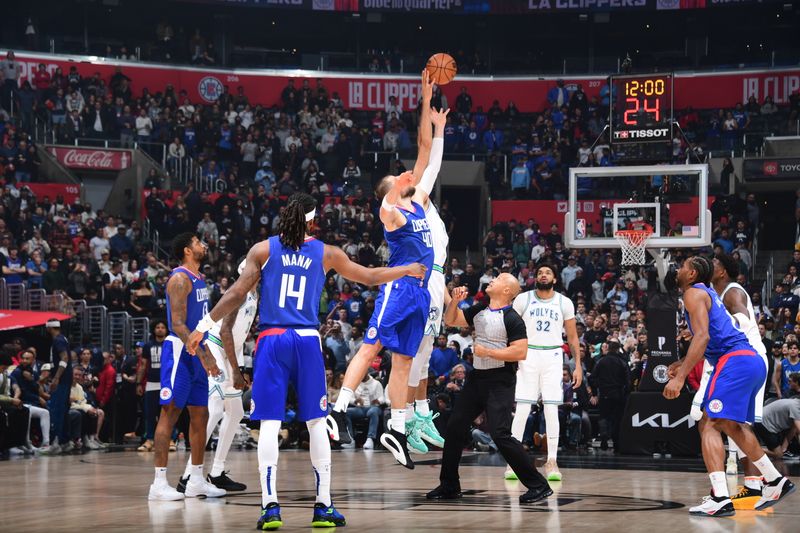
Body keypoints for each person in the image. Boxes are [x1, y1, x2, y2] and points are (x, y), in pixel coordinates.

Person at [185, 193, 425, 530]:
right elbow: (370, 277)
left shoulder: (263, 250)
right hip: (307, 340)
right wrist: (408, 269)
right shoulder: (327, 252)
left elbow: (236, 293)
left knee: (269, 423)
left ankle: (270, 507)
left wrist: (203, 325)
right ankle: (323, 505)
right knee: (315, 422)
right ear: (313, 221)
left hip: (271, 340)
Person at [327, 75, 440, 471]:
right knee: (371, 346)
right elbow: (388, 201)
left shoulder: (419, 203)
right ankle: (338, 409)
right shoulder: (390, 213)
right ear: (390, 189)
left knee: (404, 362)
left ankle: (395, 426)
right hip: (398, 286)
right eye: (399, 179)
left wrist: (427, 102)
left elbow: (425, 149)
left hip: (421, 292)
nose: (408, 176)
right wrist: (395, 188)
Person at [664, 255, 794, 517]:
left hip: (734, 361)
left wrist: (680, 378)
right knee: (731, 425)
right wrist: (682, 362)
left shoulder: (693, 293)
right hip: (750, 361)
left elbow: (703, 336)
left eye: (684, 266)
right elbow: (711, 338)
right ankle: (775, 480)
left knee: (710, 422)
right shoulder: (707, 293)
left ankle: (720, 498)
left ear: (692, 275)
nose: (678, 269)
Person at [426, 276, 552, 504]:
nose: (492, 279)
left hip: (500, 380)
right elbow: (452, 320)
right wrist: (454, 301)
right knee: (454, 428)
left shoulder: (512, 318)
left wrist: (489, 353)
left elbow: (520, 352)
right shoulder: (480, 309)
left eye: (498, 279)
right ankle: (449, 485)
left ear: (506, 290)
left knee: (500, 434)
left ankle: (539, 485)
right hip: (477, 378)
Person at [690, 254, 770, 510]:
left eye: (714, 264)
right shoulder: (715, 294)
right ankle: (754, 483)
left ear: (723, 271)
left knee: (719, 421)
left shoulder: (732, 292)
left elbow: (746, 319)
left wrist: (723, 326)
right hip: (732, 358)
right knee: (719, 420)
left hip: (742, 356)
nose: (709, 266)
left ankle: (742, 487)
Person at [148, 232, 224, 501]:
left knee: (200, 415)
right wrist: (205, 355)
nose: (202, 244)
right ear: (186, 250)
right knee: (169, 412)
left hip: (196, 350)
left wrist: (205, 352)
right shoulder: (179, 278)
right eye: (197, 242)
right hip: (181, 349)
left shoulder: (199, 279)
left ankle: (196, 480)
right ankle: (158, 484)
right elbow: (179, 324)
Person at [181, 259, 255, 492]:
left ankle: (216, 472)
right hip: (215, 347)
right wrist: (234, 369)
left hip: (231, 350)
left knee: (236, 412)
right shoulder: (239, 293)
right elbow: (224, 332)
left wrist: (239, 366)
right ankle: (188, 477)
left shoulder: (255, 294)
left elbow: (238, 334)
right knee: (215, 409)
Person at [404, 79, 448, 455]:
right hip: (421, 279)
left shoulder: (423, 206)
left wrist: (441, 128)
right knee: (417, 352)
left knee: (427, 351)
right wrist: (426, 103)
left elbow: (430, 159)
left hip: (436, 279)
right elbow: (426, 154)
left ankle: (420, 412)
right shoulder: (410, 202)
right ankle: (407, 420)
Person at [507, 263, 581, 481]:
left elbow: (573, 337)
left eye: (548, 272)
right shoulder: (523, 299)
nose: (543, 275)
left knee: (551, 408)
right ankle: (513, 462)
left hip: (552, 356)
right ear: (535, 278)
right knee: (522, 408)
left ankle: (552, 461)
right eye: (540, 273)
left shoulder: (564, 302)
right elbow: (510, 327)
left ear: (555, 279)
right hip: (527, 354)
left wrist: (577, 365)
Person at [138, 320, 167, 452]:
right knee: (150, 414)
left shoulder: (170, 344)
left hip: (167, 384)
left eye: (162, 327)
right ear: (153, 329)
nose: (160, 329)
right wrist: (139, 382)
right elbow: (143, 365)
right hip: (151, 383)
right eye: (157, 327)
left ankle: (170, 439)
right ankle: (149, 439)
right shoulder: (148, 346)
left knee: (168, 413)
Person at [46, 320, 72, 453]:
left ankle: (55, 442)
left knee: (56, 410)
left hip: (61, 381)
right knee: (63, 410)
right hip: (65, 380)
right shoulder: (64, 339)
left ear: (49, 328)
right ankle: (65, 441)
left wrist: (56, 377)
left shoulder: (58, 340)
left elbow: (65, 358)